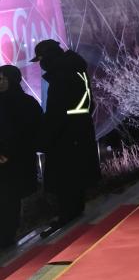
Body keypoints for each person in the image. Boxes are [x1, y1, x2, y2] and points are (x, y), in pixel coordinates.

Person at [30, 39, 100, 236]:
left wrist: (43, 140)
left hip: (65, 136)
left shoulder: (61, 74)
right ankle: (74, 209)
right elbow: (89, 102)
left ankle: (67, 213)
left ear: (47, 56)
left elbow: (56, 111)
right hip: (80, 129)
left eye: (40, 59)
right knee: (76, 175)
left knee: (65, 177)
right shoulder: (75, 68)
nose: (40, 64)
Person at [0, 65, 42, 248]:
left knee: (9, 200)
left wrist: (9, 152)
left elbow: (30, 132)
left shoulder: (25, 103)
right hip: (9, 159)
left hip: (15, 161)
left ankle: (7, 237)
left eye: (2, 79)